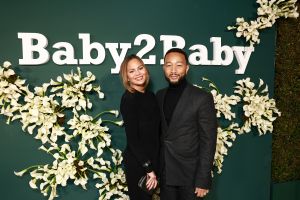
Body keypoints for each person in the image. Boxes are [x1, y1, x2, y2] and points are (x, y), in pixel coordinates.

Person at [156, 48, 217, 200]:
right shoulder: (159, 95)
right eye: (169, 65)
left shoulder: (202, 97)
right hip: (166, 174)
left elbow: (208, 140)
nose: (173, 70)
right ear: (164, 68)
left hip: (190, 176)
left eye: (179, 65)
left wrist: (203, 179)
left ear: (187, 68)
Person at [119, 54, 160, 200]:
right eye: (132, 71)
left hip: (152, 162)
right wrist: (148, 168)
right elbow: (133, 139)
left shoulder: (150, 96)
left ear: (145, 70)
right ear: (127, 77)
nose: (138, 73)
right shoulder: (128, 99)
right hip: (138, 164)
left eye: (140, 68)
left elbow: (155, 134)